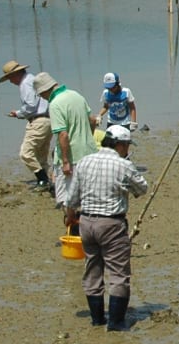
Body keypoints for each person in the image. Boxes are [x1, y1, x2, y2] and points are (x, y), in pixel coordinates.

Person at [62, 124, 149, 331]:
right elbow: (142, 189)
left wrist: (71, 219)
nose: (127, 150)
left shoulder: (84, 162)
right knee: (118, 273)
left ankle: (97, 319)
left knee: (92, 270)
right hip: (112, 223)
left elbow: (71, 199)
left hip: (86, 223)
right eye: (127, 146)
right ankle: (116, 323)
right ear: (120, 145)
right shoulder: (123, 165)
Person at [39, 72, 95, 208]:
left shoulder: (55, 104)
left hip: (72, 157)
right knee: (87, 196)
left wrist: (65, 162)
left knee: (65, 200)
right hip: (89, 153)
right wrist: (87, 138)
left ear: (45, 90)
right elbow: (92, 120)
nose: (42, 97)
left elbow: (63, 135)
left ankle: (72, 227)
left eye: (41, 94)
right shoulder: (76, 95)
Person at [0, 58, 52, 191]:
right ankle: (46, 182)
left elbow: (31, 105)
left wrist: (18, 113)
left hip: (39, 121)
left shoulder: (25, 83)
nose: (11, 82)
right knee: (41, 154)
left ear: (15, 74)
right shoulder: (33, 79)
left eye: (10, 78)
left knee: (26, 153)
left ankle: (42, 179)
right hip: (48, 120)